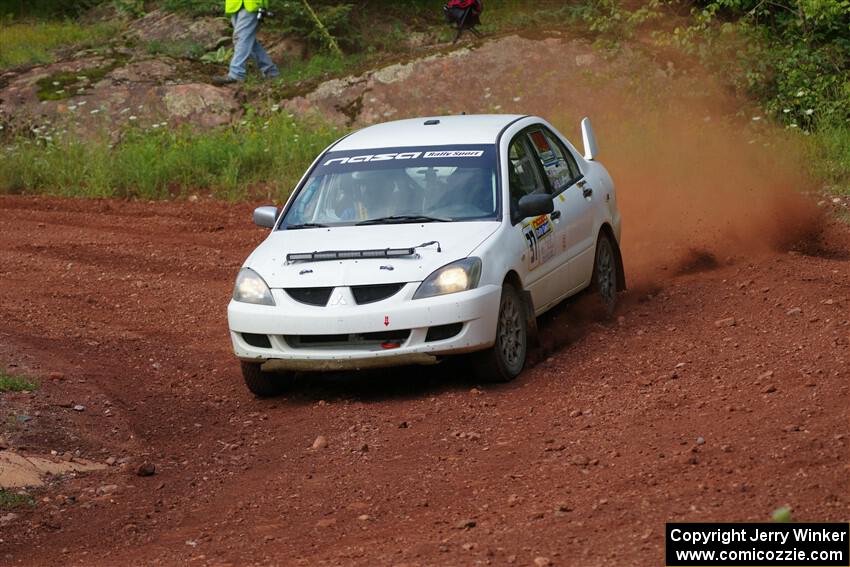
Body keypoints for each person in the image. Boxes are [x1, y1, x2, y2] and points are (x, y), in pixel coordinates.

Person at [213, 0, 279, 84]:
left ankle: (236, 74)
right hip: (235, 5)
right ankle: (271, 72)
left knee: (240, 38)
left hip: (251, 4)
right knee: (247, 41)